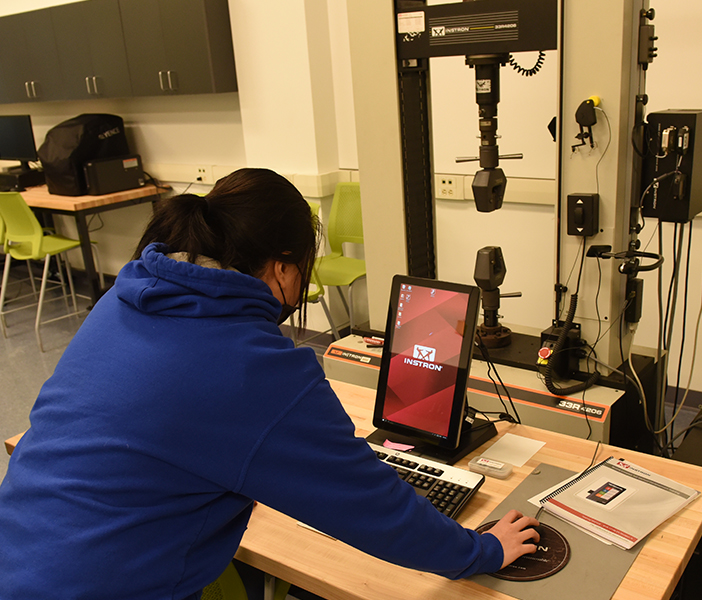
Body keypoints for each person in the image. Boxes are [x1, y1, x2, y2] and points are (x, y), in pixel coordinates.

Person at [0, 168, 539, 599]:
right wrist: (483, 550)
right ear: (284, 269)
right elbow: (377, 512)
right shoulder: (254, 368)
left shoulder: (125, 299)